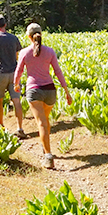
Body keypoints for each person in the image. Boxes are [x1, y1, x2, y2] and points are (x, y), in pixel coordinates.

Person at [13, 23, 73, 169]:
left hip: (34, 90)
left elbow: (19, 71)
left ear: (28, 36)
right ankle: (44, 146)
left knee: (42, 123)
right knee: (45, 121)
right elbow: (58, 71)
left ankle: (48, 156)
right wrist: (66, 91)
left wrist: (16, 84)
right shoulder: (50, 51)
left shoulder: (24, 53)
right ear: (41, 34)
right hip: (50, 91)